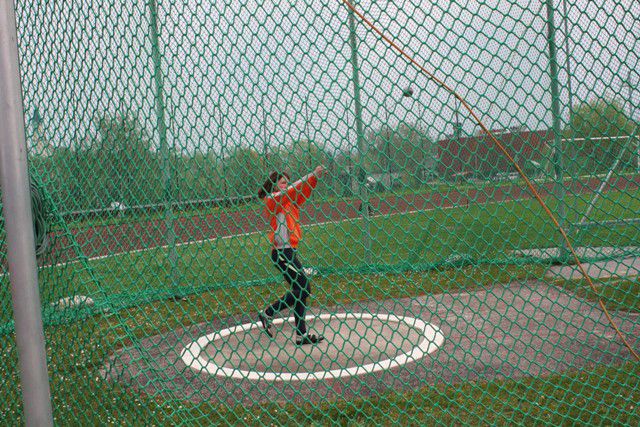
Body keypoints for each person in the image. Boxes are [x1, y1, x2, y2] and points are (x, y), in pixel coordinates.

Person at [257, 165, 325, 345]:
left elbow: (302, 193)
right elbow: (291, 190)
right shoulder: (273, 200)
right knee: (304, 288)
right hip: (280, 254)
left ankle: (301, 335)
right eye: (282, 183)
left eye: (287, 182)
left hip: (289, 252)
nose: (286, 186)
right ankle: (268, 313)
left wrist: (314, 179)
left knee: (301, 291)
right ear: (274, 186)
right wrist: (310, 173)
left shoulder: (289, 201)